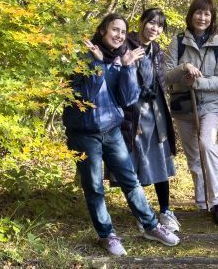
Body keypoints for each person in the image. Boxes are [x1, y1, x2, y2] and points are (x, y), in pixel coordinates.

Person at [62, 13, 180, 256]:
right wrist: (97, 64)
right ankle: (107, 235)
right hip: (84, 133)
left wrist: (126, 68)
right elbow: (86, 97)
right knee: (94, 186)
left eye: (123, 32)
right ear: (104, 30)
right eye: (114, 30)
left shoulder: (120, 58)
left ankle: (150, 226)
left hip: (112, 129)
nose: (119, 35)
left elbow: (128, 99)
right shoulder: (84, 55)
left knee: (131, 180)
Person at [165, 0, 218, 225]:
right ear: (191, 14)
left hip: (209, 105)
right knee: (194, 155)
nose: (202, 18)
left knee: (207, 144)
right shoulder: (179, 41)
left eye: (207, 14)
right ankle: (204, 200)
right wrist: (184, 68)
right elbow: (164, 74)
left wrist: (199, 83)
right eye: (198, 13)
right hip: (183, 105)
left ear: (211, 18)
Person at [116, 8, 181, 233]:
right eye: (151, 22)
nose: (155, 28)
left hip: (155, 111)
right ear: (142, 22)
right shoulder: (126, 45)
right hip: (134, 112)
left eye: (160, 25)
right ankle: (143, 214)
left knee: (161, 157)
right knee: (139, 161)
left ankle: (165, 210)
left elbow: (160, 81)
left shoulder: (156, 50)